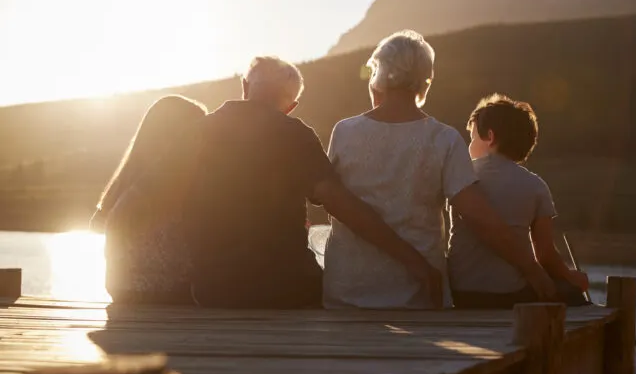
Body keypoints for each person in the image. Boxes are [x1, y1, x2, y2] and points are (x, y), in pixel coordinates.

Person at [176, 56, 441, 309]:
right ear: (291, 106)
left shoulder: (199, 131)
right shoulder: (295, 134)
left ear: (245, 86)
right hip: (284, 288)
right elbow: (340, 203)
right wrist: (413, 260)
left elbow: (153, 191)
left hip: (212, 289)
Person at [322, 30, 557, 309]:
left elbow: (332, 203)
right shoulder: (444, 139)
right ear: (424, 83)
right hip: (417, 296)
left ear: (379, 77)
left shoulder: (344, 131)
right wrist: (532, 270)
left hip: (347, 294)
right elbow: (480, 218)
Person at [448, 94, 590, 309]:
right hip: (510, 295)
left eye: (472, 138)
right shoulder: (536, 186)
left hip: (460, 292)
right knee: (568, 292)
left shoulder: (460, 175)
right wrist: (570, 276)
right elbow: (545, 253)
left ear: (490, 136)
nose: (469, 146)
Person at [90, 94, 207, 305]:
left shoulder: (128, 179)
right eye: (198, 133)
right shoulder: (174, 182)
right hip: (168, 293)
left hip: (121, 290)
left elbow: (96, 225)